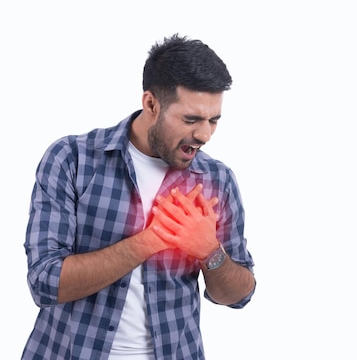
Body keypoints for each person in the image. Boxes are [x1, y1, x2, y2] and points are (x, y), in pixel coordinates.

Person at [22, 34, 256, 360]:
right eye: (191, 119)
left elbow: (240, 295)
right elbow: (44, 283)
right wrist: (152, 239)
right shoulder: (72, 159)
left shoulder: (217, 180)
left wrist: (209, 251)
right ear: (150, 104)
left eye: (213, 120)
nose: (204, 135)